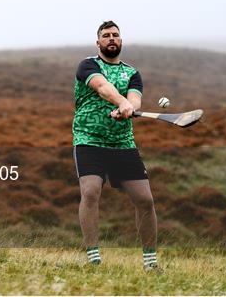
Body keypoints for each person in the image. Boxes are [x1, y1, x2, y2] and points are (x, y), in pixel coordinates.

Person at [72, 21, 161, 272]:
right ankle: (93, 259)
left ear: (121, 41)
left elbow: (135, 98)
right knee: (90, 192)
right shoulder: (88, 65)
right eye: (106, 35)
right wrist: (121, 101)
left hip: (122, 144)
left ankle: (151, 264)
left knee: (145, 200)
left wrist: (128, 107)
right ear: (98, 42)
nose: (111, 38)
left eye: (115, 35)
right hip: (89, 140)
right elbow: (102, 87)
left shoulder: (132, 73)